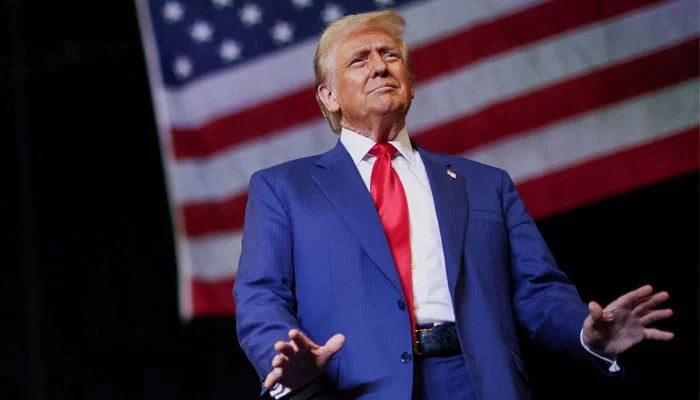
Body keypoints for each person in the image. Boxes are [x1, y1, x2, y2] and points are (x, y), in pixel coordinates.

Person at [233, 9, 674, 400]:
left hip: (480, 383)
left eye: (390, 56)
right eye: (359, 60)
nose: (380, 68)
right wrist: (287, 365)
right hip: (352, 388)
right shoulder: (283, 189)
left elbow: (538, 290)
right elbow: (260, 296)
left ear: (409, 83)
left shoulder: (485, 185)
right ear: (328, 96)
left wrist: (585, 332)